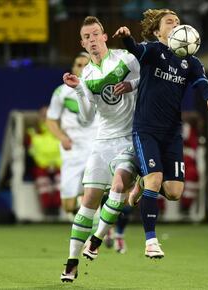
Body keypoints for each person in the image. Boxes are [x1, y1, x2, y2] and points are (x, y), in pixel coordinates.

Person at [112, 8, 208, 258]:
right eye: (169, 22)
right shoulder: (153, 50)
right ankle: (151, 241)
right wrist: (126, 38)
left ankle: (142, 181)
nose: (175, 24)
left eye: (178, 21)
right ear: (157, 31)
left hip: (172, 132)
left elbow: (203, 84)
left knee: (173, 192)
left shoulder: (191, 62)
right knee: (155, 180)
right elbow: (136, 50)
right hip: (146, 129)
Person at [60, 16, 140, 282]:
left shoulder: (126, 59)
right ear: (82, 42)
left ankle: (95, 240)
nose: (92, 40)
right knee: (88, 203)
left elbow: (147, 82)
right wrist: (80, 89)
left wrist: (132, 85)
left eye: (96, 34)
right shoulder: (88, 74)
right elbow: (85, 117)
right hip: (102, 140)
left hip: (128, 138)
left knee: (118, 186)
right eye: (87, 37)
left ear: (105, 37)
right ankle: (71, 262)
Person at [46, 52, 98, 222]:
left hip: (95, 146)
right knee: (68, 206)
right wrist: (62, 137)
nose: (81, 68)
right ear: (73, 68)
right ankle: (92, 221)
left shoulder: (100, 88)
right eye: (78, 65)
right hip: (73, 149)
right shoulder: (61, 92)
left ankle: (99, 228)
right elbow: (51, 120)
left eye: (85, 64)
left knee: (97, 190)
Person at [26, 106, 62, 215]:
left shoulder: (61, 131)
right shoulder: (31, 133)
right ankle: (47, 211)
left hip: (59, 166)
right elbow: (28, 152)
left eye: (48, 115)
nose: (45, 118)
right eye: (43, 115)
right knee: (43, 184)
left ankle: (58, 209)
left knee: (61, 182)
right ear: (38, 118)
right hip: (40, 167)